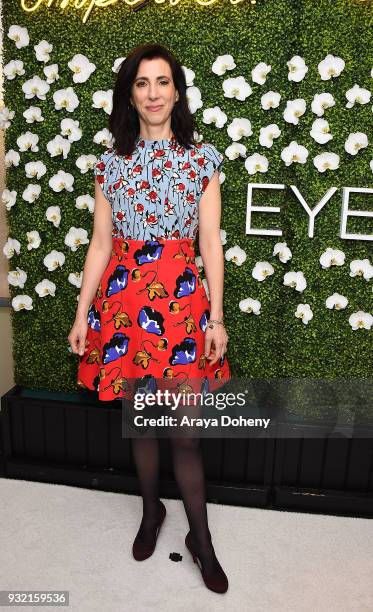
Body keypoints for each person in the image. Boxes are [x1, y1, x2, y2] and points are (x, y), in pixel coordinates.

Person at [68, 43, 231, 594]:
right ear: (130, 94)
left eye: (163, 82)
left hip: (184, 308)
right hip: (125, 310)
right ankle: (149, 513)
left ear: (177, 92)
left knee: (185, 435)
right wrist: (82, 312)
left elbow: (210, 242)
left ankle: (200, 539)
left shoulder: (202, 160)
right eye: (142, 83)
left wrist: (217, 318)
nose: (154, 93)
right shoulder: (110, 165)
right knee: (140, 423)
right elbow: (99, 245)